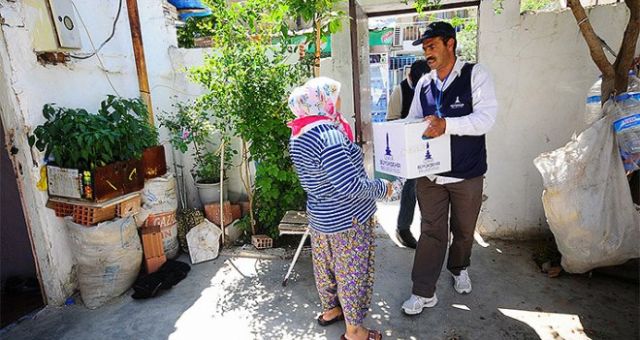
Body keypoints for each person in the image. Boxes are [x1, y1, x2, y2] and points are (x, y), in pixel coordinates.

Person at [400, 21, 498, 316]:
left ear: (450, 44)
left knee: (464, 230)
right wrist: (398, 133)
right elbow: (413, 120)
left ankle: (459, 268)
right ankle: (423, 291)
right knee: (431, 231)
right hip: (430, 174)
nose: (428, 53)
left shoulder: (475, 75)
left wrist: (447, 125)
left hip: (467, 173)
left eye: (432, 46)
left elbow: (486, 119)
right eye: (425, 48)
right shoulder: (424, 83)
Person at [288, 77, 392, 340]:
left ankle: (331, 310)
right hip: (348, 218)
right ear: (323, 101)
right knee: (352, 273)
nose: (340, 100)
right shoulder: (330, 135)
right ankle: (355, 330)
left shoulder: (299, 134)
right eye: (335, 95)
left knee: (326, 267)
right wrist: (383, 188)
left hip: (322, 216)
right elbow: (349, 185)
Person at [386, 59, 430, 249]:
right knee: (409, 188)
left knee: (431, 190)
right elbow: (391, 120)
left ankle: (430, 231)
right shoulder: (400, 90)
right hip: (407, 148)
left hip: (430, 146)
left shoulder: (432, 87)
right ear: (410, 77)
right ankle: (403, 228)